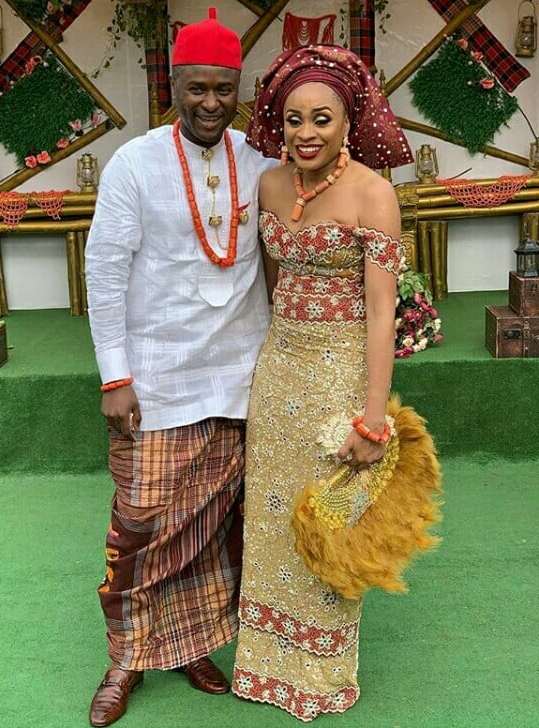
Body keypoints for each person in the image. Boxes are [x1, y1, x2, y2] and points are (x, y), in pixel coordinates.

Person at [84, 8, 272, 726]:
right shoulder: (135, 163)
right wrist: (115, 375)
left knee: (213, 526)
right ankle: (126, 659)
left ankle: (192, 643)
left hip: (236, 380)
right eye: (197, 88)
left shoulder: (260, 164)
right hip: (157, 382)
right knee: (139, 526)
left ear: (238, 88)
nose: (210, 103)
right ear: (175, 85)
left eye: (223, 89)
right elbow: (105, 273)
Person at [231, 45, 414, 721]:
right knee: (272, 517)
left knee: (328, 519)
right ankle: (263, 667)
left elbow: (381, 310)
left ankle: (321, 673)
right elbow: (274, 286)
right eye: (293, 119)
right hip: (278, 378)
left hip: (341, 380)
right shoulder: (271, 187)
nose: (306, 133)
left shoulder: (374, 193)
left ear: (349, 121)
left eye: (322, 120)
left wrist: (371, 417)